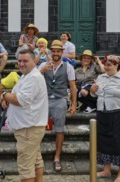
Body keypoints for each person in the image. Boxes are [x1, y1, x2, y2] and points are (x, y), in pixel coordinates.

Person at [1, 49, 48, 182]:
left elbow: (21, 100)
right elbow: (18, 94)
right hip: (30, 126)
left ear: (34, 60)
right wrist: (8, 95)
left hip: (29, 127)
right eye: (19, 61)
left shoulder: (34, 78)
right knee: (35, 159)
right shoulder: (27, 76)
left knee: (25, 164)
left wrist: (5, 95)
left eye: (25, 60)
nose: (21, 63)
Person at [90, 55, 120, 182]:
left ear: (117, 65)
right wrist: (93, 91)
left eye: (109, 64)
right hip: (103, 113)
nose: (106, 67)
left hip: (119, 114)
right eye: (105, 64)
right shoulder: (101, 77)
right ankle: (106, 170)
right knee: (105, 142)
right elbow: (96, 94)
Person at [38, 40, 77, 172]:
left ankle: (57, 157)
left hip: (60, 100)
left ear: (62, 52)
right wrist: (43, 70)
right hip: (44, 99)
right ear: (50, 52)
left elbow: (72, 86)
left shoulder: (68, 67)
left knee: (59, 130)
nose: (55, 53)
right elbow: (33, 79)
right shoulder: (43, 64)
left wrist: (74, 104)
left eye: (58, 51)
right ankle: (37, 157)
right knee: (39, 128)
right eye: (53, 51)